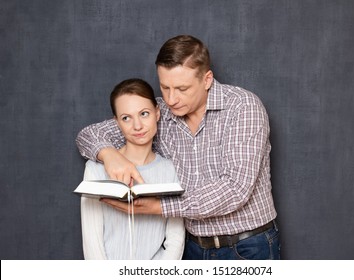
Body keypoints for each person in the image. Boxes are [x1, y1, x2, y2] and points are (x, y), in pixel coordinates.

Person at [76, 35, 280, 260]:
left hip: (246, 246)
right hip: (192, 249)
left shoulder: (243, 107)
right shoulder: (159, 112)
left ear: (207, 79)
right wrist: (108, 154)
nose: (172, 99)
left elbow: (234, 189)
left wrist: (161, 207)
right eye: (165, 87)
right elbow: (88, 134)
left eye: (182, 88)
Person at [80, 78, 185, 260]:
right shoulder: (95, 169)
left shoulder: (170, 170)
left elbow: (175, 238)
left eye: (144, 114)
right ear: (117, 122)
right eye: (126, 118)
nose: (137, 126)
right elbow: (92, 240)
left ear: (157, 113)